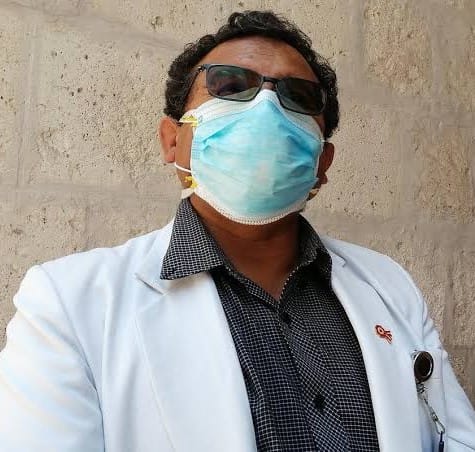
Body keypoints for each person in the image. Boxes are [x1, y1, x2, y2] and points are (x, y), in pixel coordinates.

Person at [0, 10, 474, 452]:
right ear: (172, 140)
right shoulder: (68, 303)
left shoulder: (389, 286)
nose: (266, 107)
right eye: (228, 85)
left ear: (322, 162)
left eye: (297, 97)